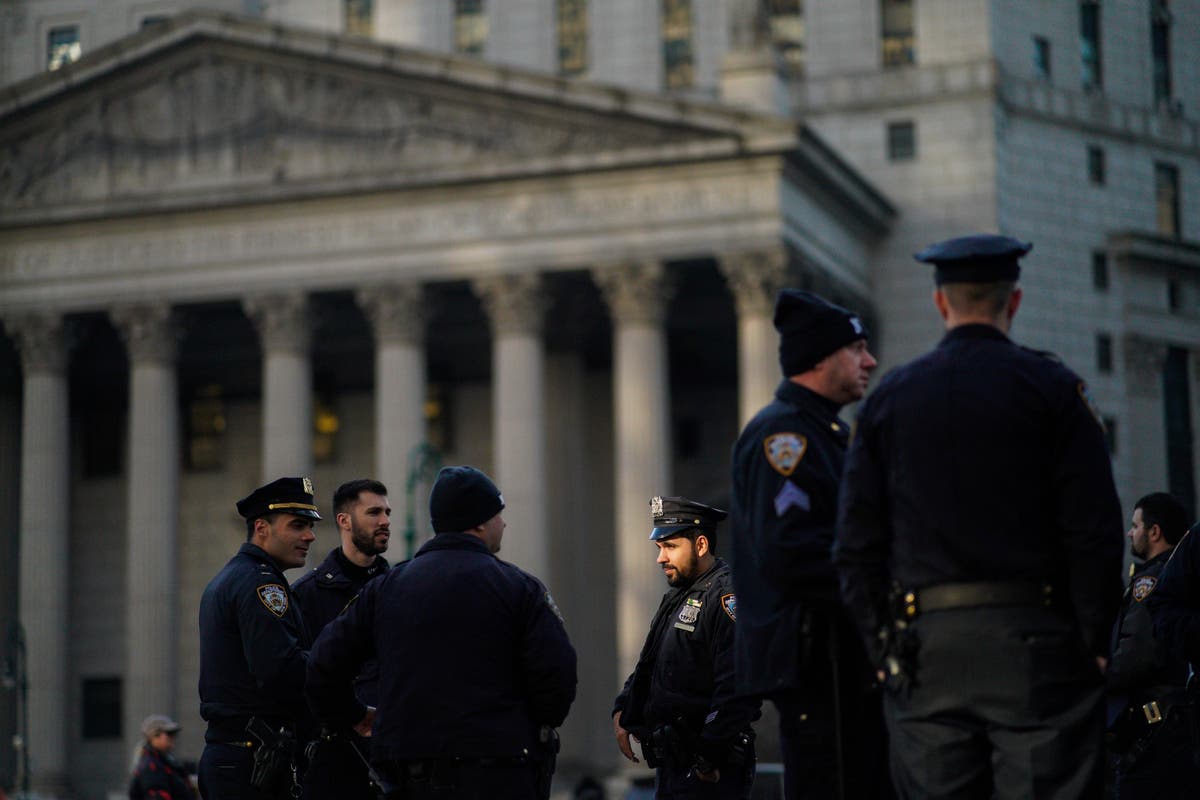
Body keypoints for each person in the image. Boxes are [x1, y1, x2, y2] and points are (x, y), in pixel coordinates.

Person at [834, 233, 1125, 798]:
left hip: (926, 650)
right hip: (1037, 647)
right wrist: (1096, 636)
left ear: (941, 303)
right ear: (1012, 301)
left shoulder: (888, 401)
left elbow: (854, 547)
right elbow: (1094, 530)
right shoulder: (1056, 390)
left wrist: (881, 649)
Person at [305, 465, 577, 800]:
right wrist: (519, 725)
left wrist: (356, 715)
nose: (503, 524)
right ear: (478, 522)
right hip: (499, 771)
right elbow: (558, 677)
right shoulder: (518, 588)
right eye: (498, 514)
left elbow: (323, 664)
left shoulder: (385, 589)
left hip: (409, 774)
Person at [728, 289, 888, 800]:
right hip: (823, 658)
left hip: (843, 656)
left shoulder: (825, 433)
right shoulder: (785, 438)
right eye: (856, 349)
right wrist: (881, 584)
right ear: (820, 357)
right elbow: (792, 552)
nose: (871, 360)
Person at [612, 496, 760, 799]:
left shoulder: (726, 598)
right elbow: (650, 662)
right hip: (674, 763)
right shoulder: (678, 596)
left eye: (670, 547)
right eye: (659, 548)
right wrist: (624, 709)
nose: (660, 558)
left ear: (701, 545)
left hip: (710, 770)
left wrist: (707, 757)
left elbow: (737, 689)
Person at [197, 476, 325, 800]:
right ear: (262, 528)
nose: (309, 536)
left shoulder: (233, 578)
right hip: (252, 764)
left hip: (239, 759)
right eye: (297, 525)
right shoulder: (261, 585)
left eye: (310, 525)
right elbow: (282, 671)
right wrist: (333, 662)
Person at [292, 478, 392, 800]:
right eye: (374, 512)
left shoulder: (401, 589)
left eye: (387, 512)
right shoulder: (307, 596)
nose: (385, 521)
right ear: (344, 521)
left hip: (392, 754)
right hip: (333, 763)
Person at [1107, 493, 1198, 797]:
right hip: (1169, 728)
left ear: (1154, 532)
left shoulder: (1153, 583)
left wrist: (1094, 677)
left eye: (1135, 525)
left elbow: (1135, 655)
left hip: (1152, 731)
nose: (1130, 532)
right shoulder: (1176, 577)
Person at [129, 714, 196, 800]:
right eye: (169, 733)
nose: (173, 737)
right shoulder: (151, 766)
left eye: (173, 734)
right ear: (154, 736)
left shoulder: (164, 762)